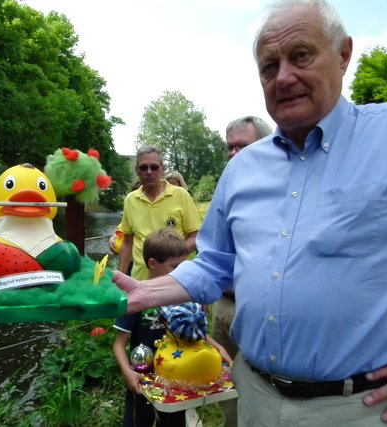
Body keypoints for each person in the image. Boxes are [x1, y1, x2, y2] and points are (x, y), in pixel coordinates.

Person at [113, 1, 387, 426]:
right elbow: (216, 263)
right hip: (256, 397)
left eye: (301, 56)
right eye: (270, 67)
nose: (285, 77)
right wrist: (144, 294)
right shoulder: (242, 169)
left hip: (366, 409)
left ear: (343, 54)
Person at [112, 229, 231, 427]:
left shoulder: (184, 299)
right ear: (152, 263)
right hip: (142, 381)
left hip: (175, 382)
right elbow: (118, 344)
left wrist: (217, 346)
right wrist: (127, 371)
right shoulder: (135, 299)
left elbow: (193, 334)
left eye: (185, 267)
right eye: (175, 266)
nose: (181, 273)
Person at [213, 115, 272, 427]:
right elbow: (212, 253)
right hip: (223, 303)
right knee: (224, 380)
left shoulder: (280, 191)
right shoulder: (228, 191)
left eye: (242, 146)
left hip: (255, 308)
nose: (234, 153)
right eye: (230, 147)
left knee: (258, 385)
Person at [117, 146, 200, 280]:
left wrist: (171, 257)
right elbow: (127, 242)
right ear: (137, 170)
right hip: (140, 280)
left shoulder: (181, 195)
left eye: (154, 167)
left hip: (175, 279)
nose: (149, 172)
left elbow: (195, 236)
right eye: (144, 167)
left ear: (162, 169)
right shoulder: (130, 200)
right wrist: (120, 277)